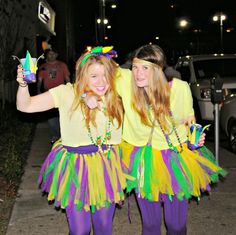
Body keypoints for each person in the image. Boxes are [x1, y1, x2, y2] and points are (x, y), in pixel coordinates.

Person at [85, 44, 227, 235]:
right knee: (150, 225)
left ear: (159, 69)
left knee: (175, 224)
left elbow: (189, 121)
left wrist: (196, 138)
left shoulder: (180, 89)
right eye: (135, 67)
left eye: (145, 68)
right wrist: (87, 94)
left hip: (175, 158)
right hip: (140, 160)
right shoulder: (125, 81)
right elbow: (90, 75)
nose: (138, 73)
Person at [16, 46, 127, 235]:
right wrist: (23, 85)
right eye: (94, 76)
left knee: (103, 227)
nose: (101, 82)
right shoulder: (66, 93)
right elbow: (25, 106)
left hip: (107, 167)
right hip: (76, 168)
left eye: (105, 75)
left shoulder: (116, 96)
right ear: (82, 75)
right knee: (80, 230)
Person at [37, 48, 71, 143]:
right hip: (49, 95)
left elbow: (67, 78)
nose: (51, 56)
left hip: (62, 94)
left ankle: (64, 136)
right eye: (49, 54)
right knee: (51, 118)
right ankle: (55, 136)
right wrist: (39, 91)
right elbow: (40, 80)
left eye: (53, 54)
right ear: (47, 55)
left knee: (62, 116)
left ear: (57, 55)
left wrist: (70, 89)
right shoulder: (43, 67)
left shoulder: (62, 65)